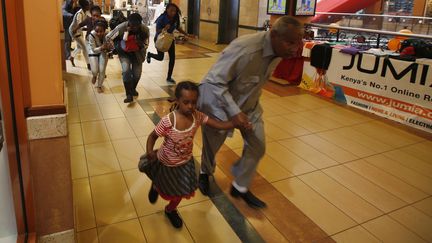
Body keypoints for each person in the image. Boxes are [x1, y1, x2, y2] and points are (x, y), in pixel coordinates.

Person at [197, 16, 304, 208]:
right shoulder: (245, 49)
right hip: (218, 103)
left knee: (257, 145)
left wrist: (244, 108)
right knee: (212, 145)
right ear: (274, 35)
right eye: (290, 42)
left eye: (297, 43)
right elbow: (214, 81)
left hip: (249, 105)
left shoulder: (280, 51)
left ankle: (240, 186)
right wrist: (234, 111)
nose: (294, 48)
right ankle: (205, 172)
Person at [142, 81, 250, 228]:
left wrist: (234, 124)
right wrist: (149, 151)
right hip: (166, 163)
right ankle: (155, 186)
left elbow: (217, 124)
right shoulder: (169, 121)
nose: (190, 106)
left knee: (180, 193)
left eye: (194, 102)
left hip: (184, 164)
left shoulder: (197, 116)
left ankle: (170, 210)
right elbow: (152, 136)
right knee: (162, 183)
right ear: (177, 100)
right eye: (186, 102)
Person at [106, 13, 149, 103]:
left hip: (138, 54)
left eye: (136, 26)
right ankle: (128, 94)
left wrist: (139, 43)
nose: (134, 28)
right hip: (124, 53)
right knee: (126, 71)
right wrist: (113, 47)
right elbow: (108, 37)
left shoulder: (145, 29)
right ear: (128, 22)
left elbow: (146, 44)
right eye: (132, 25)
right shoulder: (121, 27)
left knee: (137, 74)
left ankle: (132, 89)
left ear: (140, 24)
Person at [146, 3, 192, 84]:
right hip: (160, 39)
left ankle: (169, 77)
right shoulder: (162, 18)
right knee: (160, 57)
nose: (173, 12)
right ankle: (150, 54)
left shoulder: (175, 18)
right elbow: (157, 31)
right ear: (167, 10)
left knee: (172, 58)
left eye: (174, 11)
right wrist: (164, 28)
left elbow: (177, 27)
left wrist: (186, 34)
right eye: (171, 11)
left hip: (170, 39)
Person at [87, 20, 111, 93]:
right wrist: (101, 47)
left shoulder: (108, 34)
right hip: (93, 50)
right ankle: (94, 76)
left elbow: (110, 47)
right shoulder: (91, 35)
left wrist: (109, 47)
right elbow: (93, 49)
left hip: (103, 52)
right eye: (97, 31)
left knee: (102, 70)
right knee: (94, 70)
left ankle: (99, 86)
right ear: (94, 29)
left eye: (101, 31)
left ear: (105, 30)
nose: (99, 33)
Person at [69, 0, 91, 69]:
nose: (89, 6)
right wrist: (88, 29)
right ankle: (88, 64)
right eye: (88, 5)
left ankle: (71, 57)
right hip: (74, 31)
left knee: (79, 47)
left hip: (79, 30)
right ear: (85, 6)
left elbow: (89, 19)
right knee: (84, 47)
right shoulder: (79, 14)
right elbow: (79, 25)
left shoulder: (85, 12)